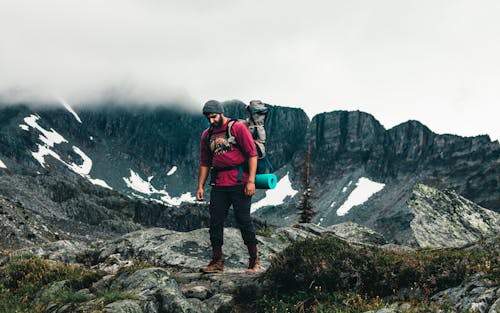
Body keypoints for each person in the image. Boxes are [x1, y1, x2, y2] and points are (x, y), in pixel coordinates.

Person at [196, 100, 262, 273]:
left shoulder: (237, 128)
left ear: (221, 113)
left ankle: (254, 261)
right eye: (208, 118)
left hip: (240, 182)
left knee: (244, 220)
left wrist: (251, 181)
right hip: (219, 183)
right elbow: (204, 162)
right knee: (215, 221)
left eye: (213, 116)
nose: (211, 121)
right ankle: (217, 261)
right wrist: (200, 186)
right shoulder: (207, 135)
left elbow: (252, 154)